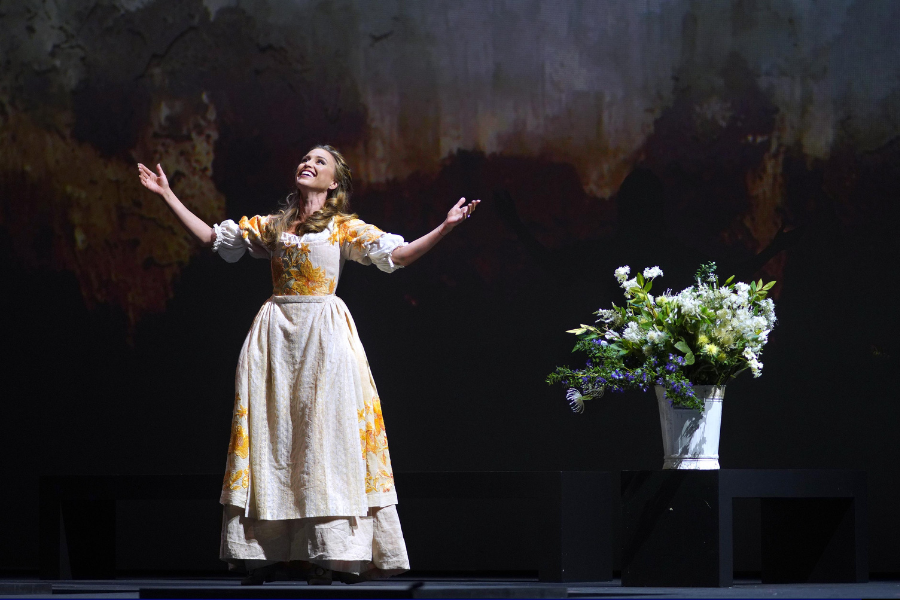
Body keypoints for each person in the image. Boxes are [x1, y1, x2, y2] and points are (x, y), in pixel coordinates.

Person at [137, 145, 479, 585]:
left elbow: (399, 255)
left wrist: (446, 227)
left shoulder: (342, 228)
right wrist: (167, 195)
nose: (309, 163)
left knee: (326, 438)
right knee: (274, 436)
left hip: (324, 334)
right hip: (275, 335)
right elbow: (213, 240)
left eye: (321, 162)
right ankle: (268, 551)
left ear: (334, 182)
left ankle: (334, 552)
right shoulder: (274, 226)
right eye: (305, 158)